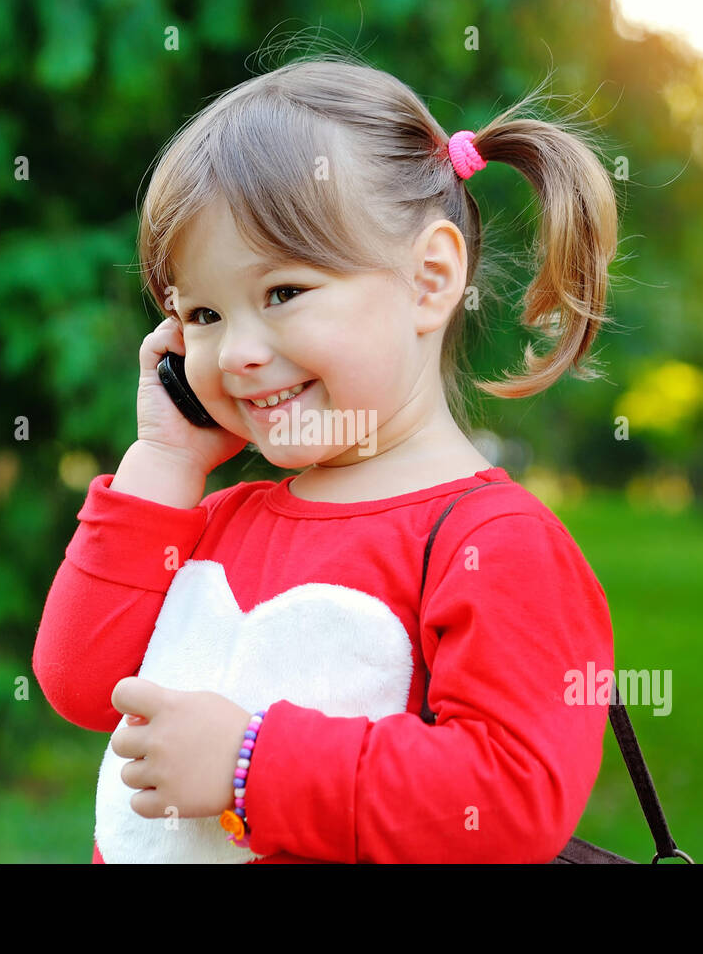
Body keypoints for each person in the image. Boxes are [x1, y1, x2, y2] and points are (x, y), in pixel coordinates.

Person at [33, 53, 618, 863]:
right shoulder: (217, 524)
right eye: (201, 313)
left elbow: (511, 799)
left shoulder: (494, 544)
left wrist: (250, 764)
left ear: (429, 279)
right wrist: (164, 458)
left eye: (282, 293)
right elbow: (78, 679)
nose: (236, 352)